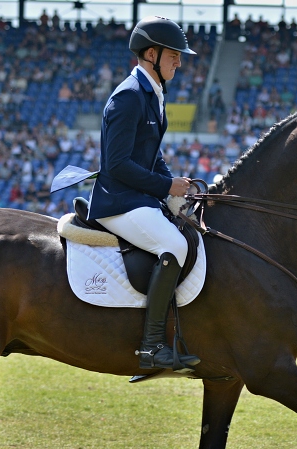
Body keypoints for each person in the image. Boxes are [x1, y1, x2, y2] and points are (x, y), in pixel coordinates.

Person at [87, 16, 200, 372]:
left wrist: (173, 185)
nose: (179, 62)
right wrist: (165, 187)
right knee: (175, 245)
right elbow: (117, 164)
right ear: (152, 54)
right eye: (174, 55)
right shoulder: (129, 97)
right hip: (118, 201)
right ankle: (151, 347)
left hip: (137, 198)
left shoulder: (151, 94)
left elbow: (151, 153)